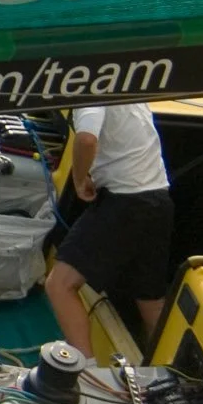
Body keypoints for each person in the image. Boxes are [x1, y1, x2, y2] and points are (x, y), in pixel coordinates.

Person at [44, 101, 175, 355]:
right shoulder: (131, 91)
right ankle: (169, 371)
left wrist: (80, 179)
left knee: (59, 285)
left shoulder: (91, 90)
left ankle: (86, 371)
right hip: (158, 199)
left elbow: (86, 140)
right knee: (151, 301)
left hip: (125, 202)